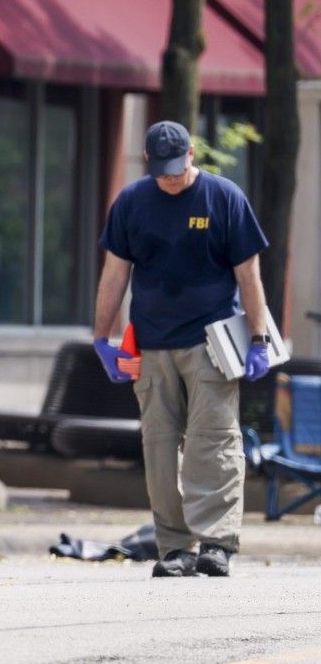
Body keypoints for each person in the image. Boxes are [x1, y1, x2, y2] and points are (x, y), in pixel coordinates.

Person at [92, 120, 270, 578]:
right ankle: (174, 548)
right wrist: (101, 338)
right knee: (159, 446)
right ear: (149, 161)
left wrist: (259, 339)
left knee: (213, 442)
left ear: (192, 154)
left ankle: (216, 543)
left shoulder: (225, 198)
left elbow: (249, 275)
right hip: (151, 344)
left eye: (178, 168)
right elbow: (115, 274)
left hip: (212, 343)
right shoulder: (132, 202)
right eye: (163, 171)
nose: (171, 179)